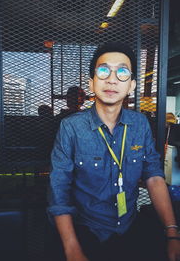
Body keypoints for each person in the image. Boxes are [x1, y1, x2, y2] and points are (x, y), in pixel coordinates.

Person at [47, 41, 180, 261]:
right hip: (85, 229)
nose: (112, 78)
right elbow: (58, 189)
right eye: (103, 70)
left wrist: (172, 233)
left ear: (132, 85)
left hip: (129, 225)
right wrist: (72, 249)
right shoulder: (71, 127)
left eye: (122, 72)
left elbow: (154, 177)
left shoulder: (140, 125)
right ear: (92, 83)